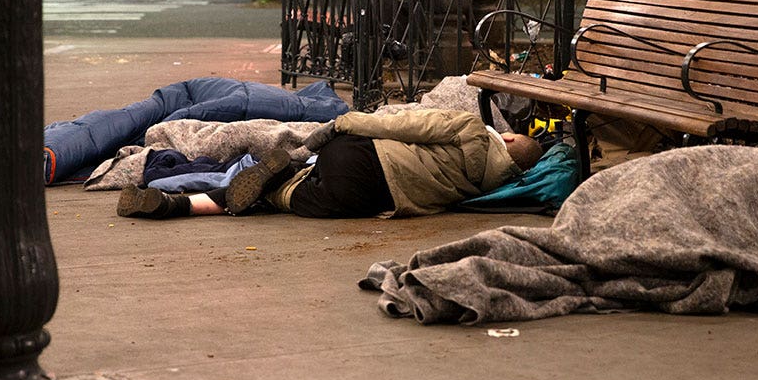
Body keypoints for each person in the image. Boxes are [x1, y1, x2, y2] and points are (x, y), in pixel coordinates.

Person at [117, 108, 544, 220]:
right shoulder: (490, 187)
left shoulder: (471, 127)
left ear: (505, 137)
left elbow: (404, 125)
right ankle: (179, 207)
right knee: (272, 197)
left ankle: (283, 170)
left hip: (363, 156)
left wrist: (341, 124)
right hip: (369, 198)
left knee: (279, 173)